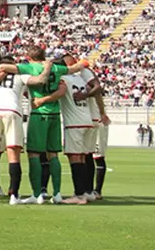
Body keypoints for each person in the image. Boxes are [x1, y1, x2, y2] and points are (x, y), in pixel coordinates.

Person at [0, 53, 50, 205]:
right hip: (12, 111)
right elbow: (41, 80)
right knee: (13, 154)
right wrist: (47, 67)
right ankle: (14, 195)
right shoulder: (20, 76)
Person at [16, 46, 71, 204]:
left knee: (34, 154)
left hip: (39, 114)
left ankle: (37, 194)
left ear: (29, 57)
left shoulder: (30, 67)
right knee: (53, 155)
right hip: (55, 114)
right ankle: (57, 193)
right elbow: (74, 68)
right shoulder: (56, 67)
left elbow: (10, 68)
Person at [59, 63, 98, 205]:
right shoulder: (79, 79)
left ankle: (79, 194)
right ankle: (86, 192)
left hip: (74, 122)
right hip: (87, 120)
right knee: (82, 157)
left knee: (75, 157)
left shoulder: (63, 79)